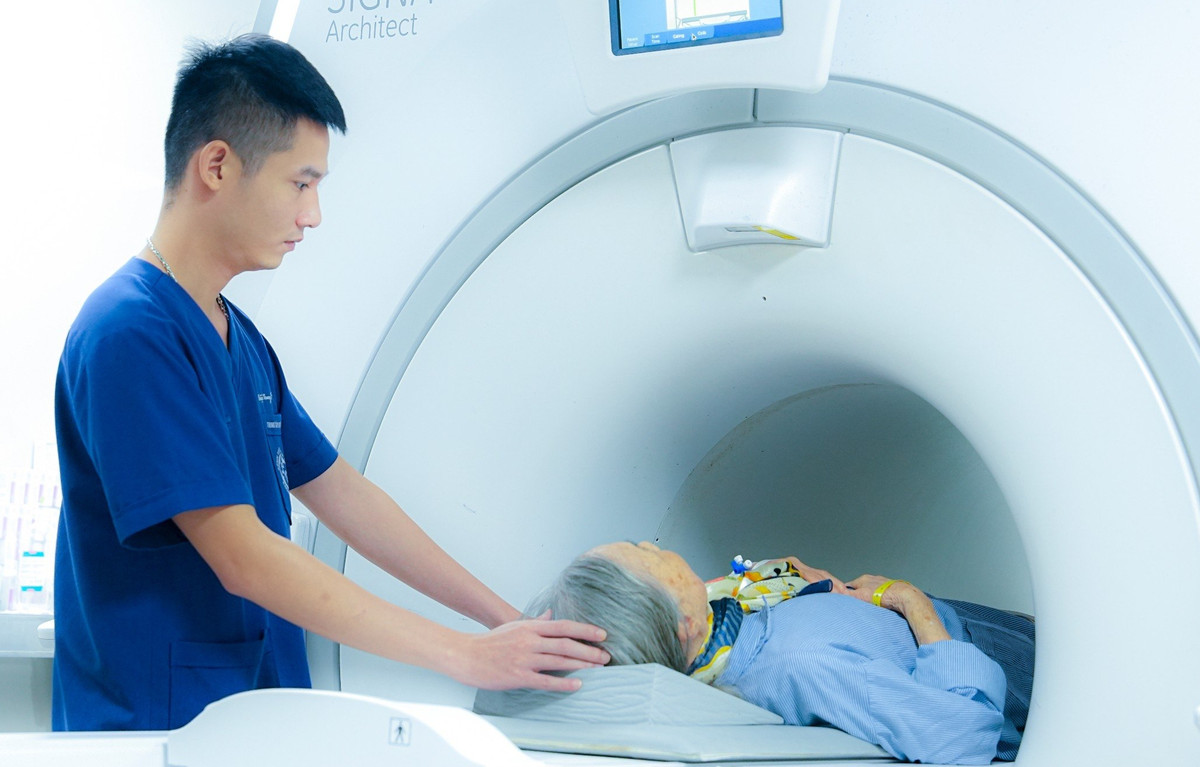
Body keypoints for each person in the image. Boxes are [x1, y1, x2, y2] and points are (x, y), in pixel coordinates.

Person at [52, 33, 607, 732]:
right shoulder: (129, 332)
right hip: (155, 727)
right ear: (217, 166)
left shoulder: (237, 336)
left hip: (253, 713)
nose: (312, 214)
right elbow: (244, 556)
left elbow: (344, 493)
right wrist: (465, 655)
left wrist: (508, 622)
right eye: (301, 183)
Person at [530, 542, 1035, 765]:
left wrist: (784, 578)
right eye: (646, 555)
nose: (651, 542)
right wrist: (909, 599)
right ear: (682, 624)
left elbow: (727, 591)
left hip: (966, 624)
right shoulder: (799, 663)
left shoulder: (724, 630)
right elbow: (960, 742)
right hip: (995, 666)